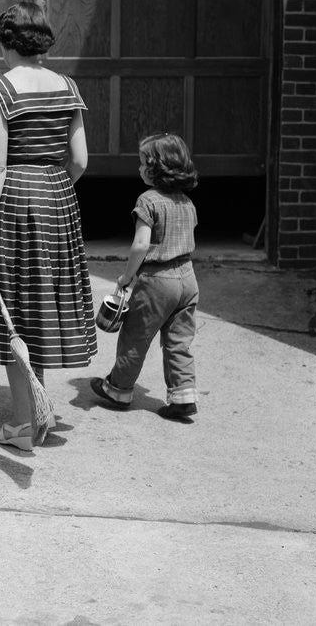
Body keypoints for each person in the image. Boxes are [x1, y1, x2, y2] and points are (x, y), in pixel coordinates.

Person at [0, 0, 97, 451]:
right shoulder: (67, 85)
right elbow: (79, 160)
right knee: (41, 305)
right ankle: (38, 411)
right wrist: (52, 184)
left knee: (14, 310)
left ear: (6, 41)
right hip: (59, 196)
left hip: (16, 200)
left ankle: (22, 425)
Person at [90, 133, 200, 421]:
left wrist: (127, 276)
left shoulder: (148, 200)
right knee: (179, 340)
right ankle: (183, 395)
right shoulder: (187, 203)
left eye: (142, 163)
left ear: (157, 167)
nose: (138, 169)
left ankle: (118, 389)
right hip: (188, 279)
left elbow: (141, 244)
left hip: (157, 281)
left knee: (135, 336)